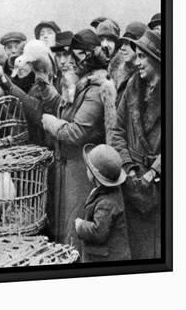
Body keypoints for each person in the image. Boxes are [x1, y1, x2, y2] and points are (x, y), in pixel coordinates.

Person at [39, 29, 117, 246]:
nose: (74, 59)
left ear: (91, 55)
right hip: (68, 168)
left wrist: (52, 124)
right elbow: (66, 110)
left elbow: (76, 132)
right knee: (64, 229)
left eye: (80, 54)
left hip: (81, 171)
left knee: (74, 232)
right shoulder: (81, 84)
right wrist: (46, 87)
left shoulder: (96, 89)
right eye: (74, 54)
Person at [111, 29, 162, 260]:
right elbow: (117, 130)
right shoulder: (133, 85)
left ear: (157, 60)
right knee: (138, 250)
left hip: (161, 185)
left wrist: (153, 172)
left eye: (143, 57)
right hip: (132, 182)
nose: (137, 62)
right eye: (137, 56)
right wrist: (129, 167)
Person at [75, 144, 131, 263]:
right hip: (103, 253)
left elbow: (98, 232)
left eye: (88, 168)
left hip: (107, 259)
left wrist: (80, 226)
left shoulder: (107, 203)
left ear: (94, 176)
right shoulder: (108, 191)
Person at [109, 22, 148, 106]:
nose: (122, 48)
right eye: (123, 43)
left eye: (127, 43)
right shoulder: (116, 73)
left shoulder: (144, 78)